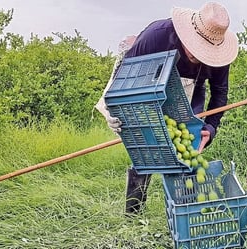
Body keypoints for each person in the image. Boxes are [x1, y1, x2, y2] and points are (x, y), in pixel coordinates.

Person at [95, 2, 239, 215]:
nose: (199, 57)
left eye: (205, 54)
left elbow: (219, 92)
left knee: (188, 145)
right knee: (147, 149)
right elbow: (126, 77)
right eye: (196, 51)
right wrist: (118, 109)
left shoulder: (219, 54)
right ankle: (133, 215)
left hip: (192, 88)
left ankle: (185, 210)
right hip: (146, 83)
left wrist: (211, 126)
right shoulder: (157, 36)